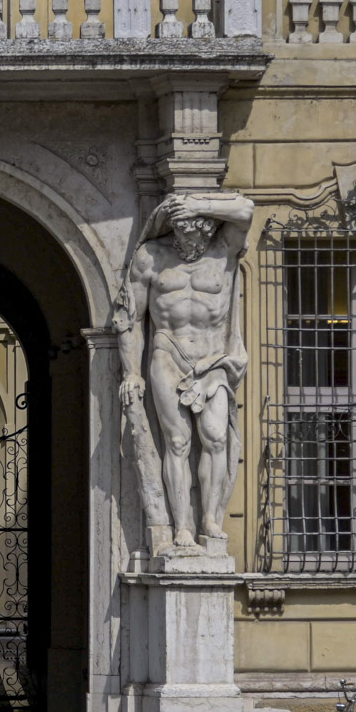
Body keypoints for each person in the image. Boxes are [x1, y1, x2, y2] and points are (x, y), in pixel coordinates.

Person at [113, 190, 256, 558]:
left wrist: (197, 204)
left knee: (215, 439)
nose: (187, 241)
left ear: (208, 229)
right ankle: (182, 527)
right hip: (168, 354)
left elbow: (245, 209)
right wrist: (132, 373)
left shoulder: (224, 249)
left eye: (194, 233)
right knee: (176, 443)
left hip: (213, 361)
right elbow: (131, 321)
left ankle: (210, 520)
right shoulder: (151, 257)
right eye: (180, 232)